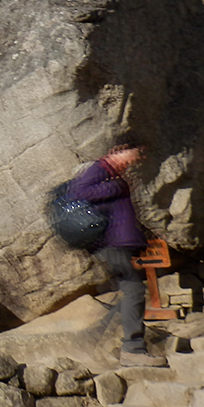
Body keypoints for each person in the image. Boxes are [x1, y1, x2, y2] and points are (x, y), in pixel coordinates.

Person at [69, 142, 167, 367]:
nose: (133, 161)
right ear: (117, 151)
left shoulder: (112, 175)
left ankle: (107, 339)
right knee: (134, 292)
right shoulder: (100, 169)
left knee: (130, 292)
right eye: (131, 155)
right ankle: (132, 349)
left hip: (119, 245)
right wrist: (115, 187)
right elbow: (78, 192)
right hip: (111, 246)